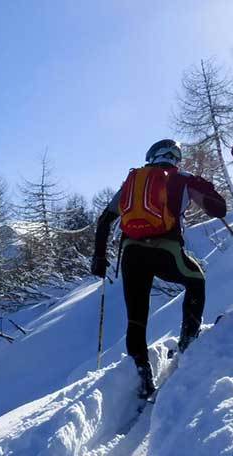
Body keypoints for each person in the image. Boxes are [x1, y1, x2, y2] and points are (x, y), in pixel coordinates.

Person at [91, 139, 227, 398]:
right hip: (167, 251)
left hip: (132, 254)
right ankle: (188, 341)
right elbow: (218, 208)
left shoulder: (133, 183)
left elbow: (105, 219)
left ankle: (142, 379)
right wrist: (204, 186)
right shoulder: (183, 178)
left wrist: (99, 258)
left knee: (136, 316)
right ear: (176, 157)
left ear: (151, 156)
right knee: (195, 279)